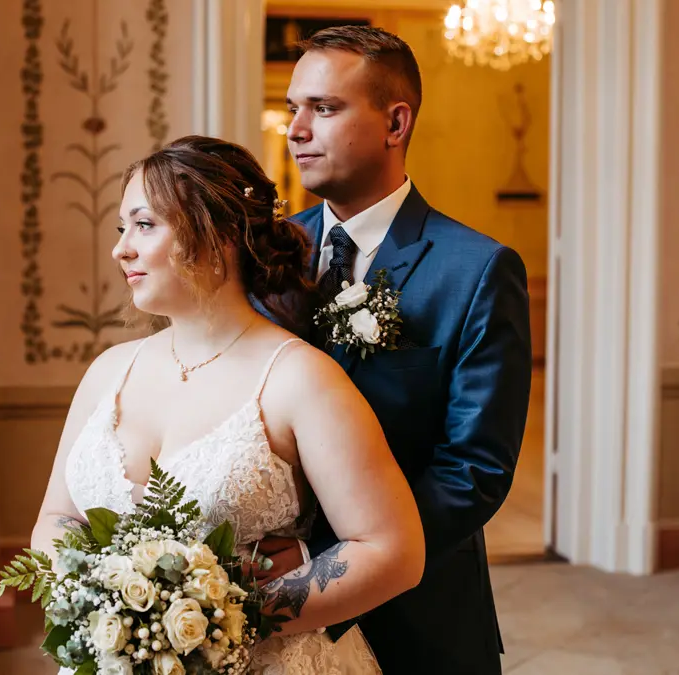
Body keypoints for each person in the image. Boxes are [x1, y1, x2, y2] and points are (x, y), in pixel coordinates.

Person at [31, 135, 425, 674]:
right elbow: (59, 517)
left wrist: (224, 618)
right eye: (122, 228)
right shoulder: (107, 371)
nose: (121, 248)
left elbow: (392, 552)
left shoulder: (298, 378)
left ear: (218, 235)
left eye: (144, 225)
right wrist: (107, 606)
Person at [255, 25, 533, 674]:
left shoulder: (477, 270)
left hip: (420, 609)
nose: (295, 129)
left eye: (323, 108)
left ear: (394, 122)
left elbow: (475, 469)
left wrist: (327, 560)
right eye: (294, 108)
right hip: (269, 604)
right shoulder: (266, 257)